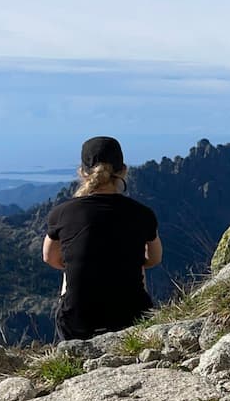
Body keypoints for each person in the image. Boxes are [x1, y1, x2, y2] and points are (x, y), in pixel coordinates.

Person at [42, 136, 162, 341]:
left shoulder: (61, 213)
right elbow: (154, 259)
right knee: (136, 263)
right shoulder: (142, 214)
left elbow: (50, 258)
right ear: (123, 170)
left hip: (78, 323)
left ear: (82, 172)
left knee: (69, 267)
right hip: (132, 318)